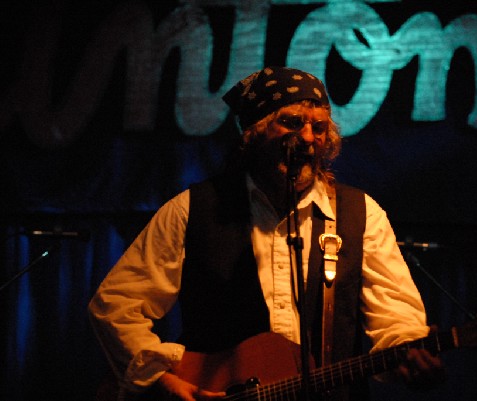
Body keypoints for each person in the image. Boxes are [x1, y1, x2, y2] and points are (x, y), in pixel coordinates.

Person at [88, 66, 445, 401]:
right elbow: (116, 306)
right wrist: (162, 381)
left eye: (318, 127)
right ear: (254, 132)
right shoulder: (193, 209)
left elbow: (396, 315)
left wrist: (407, 350)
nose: (307, 138)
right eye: (292, 123)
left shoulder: (360, 214)